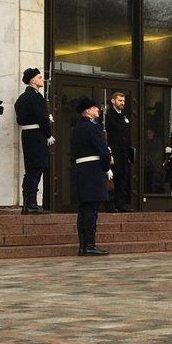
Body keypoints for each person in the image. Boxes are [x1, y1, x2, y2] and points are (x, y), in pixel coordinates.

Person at [70, 97, 112, 256]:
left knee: (83, 210)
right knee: (91, 210)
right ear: (87, 111)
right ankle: (89, 245)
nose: (98, 110)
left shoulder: (75, 128)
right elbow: (103, 151)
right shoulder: (93, 128)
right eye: (95, 108)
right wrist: (106, 167)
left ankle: (83, 245)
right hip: (93, 171)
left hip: (81, 170)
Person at [14, 68, 53, 214]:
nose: (42, 79)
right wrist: (48, 133)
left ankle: (28, 203)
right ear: (32, 80)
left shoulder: (23, 97)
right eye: (39, 77)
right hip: (37, 135)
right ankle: (31, 204)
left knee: (31, 169)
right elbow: (41, 117)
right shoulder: (35, 97)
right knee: (36, 169)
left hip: (28, 135)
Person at [104, 92, 133, 212]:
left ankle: (121, 204)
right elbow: (105, 135)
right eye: (120, 100)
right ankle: (110, 204)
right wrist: (108, 151)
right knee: (112, 177)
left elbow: (128, 136)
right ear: (113, 101)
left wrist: (129, 153)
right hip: (113, 152)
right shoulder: (108, 116)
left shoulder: (124, 116)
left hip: (124, 153)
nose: (122, 103)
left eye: (123, 101)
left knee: (122, 178)